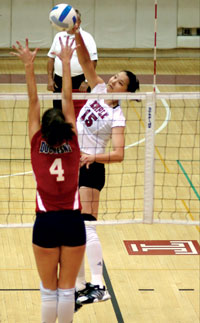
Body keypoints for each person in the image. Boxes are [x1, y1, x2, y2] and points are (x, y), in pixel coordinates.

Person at [11, 37, 86, 323]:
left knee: (48, 292)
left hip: (45, 222)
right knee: (67, 292)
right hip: (72, 220)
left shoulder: (36, 140)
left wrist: (29, 66)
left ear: (43, 127)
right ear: (67, 127)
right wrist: (67, 63)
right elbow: (68, 100)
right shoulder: (74, 141)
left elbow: (33, 100)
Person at [71, 26, 140, 305]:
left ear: (126, 91)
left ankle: (99, 286)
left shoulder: (117, 116)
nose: (112, 81)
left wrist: (92, 157)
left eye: (119, 81)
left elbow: (120, 154)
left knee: (87, 227)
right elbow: (86, 62)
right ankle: (79, 286)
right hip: (76, 163)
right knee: (73, 228)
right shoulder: (98, 87)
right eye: (114, 76)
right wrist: (76, 34)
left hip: (91, 168)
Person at [47, 9, 98, 117]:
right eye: (71, 20)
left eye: (76, 20)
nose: (74, 22)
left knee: (79, 114)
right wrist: (50, 79)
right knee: (58, 113)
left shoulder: (87, 38)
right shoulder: (59, 36)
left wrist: (87, 81)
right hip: (59, 81)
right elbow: (51, 58)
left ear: (80, 22)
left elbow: (93, 61)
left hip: (78, 82)